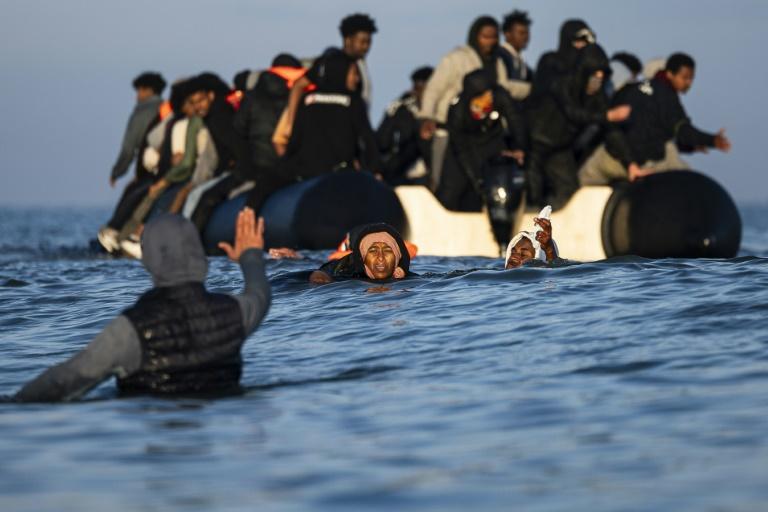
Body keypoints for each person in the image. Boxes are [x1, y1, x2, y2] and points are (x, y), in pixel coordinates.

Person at [15, 208, 270, 402]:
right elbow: (260, 294)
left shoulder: (131, 329)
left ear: (149, 260)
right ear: (198, 253)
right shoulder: (235, 313)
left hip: (149, 426)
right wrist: (250, 256)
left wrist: (12, 403)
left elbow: (63, 381)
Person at [245, 50, 383, 216]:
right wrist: (374, 171)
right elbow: (367, 140)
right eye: (353, 73)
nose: (357, 79)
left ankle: (247, 218)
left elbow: (295, 141)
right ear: (341, 71)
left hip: (303, 170)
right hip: (338, 173)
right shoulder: (353, 102)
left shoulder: (308, 99)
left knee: (264, 185)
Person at [579, 52, 732, 186]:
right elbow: (681, 131)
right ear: (669, 74)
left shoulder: (630, 91)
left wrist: (691, 145)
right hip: (648, 162)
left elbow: (645, 128)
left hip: (614, 158)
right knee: (686, 179)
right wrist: (712, 140)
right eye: (685, 78)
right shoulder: (666, 96)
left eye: (691, 78)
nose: (689, 83)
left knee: (583, 178)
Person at [418, 16, 526, 191]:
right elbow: (434, 89)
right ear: (475, 36)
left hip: (486, 134)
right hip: (448, 128)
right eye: (485, 36)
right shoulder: (456, 58)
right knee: (443, 179)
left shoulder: (497, 62)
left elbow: (505, 88)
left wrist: (533, 89)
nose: (490, 42)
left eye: (493, 37)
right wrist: (426, 117)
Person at [526, 43, 631, 209]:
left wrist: (630, 162)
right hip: (536, 145)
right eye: (594, 75)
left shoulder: (598, 96)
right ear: (584, 72)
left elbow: (610, 130)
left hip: (561, 149)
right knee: (532, 193)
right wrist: (607, 116)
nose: (597, 81)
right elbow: (573, 113)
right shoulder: (562, 84)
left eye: (601, 76)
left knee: (569, 193)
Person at [276, 13, 377, 155]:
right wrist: (291, 123)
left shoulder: (360, 66)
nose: (366, 47)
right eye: (362, 41)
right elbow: (299, 85)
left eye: (369, 42)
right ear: (348, 40)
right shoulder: (329, 64)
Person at [437, 69, 527, 212]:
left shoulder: (499, 96)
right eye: (485, 95)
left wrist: (519, 148)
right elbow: (460, 148)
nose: (490, 97)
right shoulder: (457, 111)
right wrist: (477, 179)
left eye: (490, 92)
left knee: (498, 187)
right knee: (451, 193)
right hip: (464, 151)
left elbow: (515, 121)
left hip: (492, 142)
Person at [98, 72, 167, 252]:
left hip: (149, 171)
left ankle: (113, 232)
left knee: (131, 193)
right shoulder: (167, 109)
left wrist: (117, 172)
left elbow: (129, 148)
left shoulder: (141, 112)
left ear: (148, 90)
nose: (137, 96)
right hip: (164, 167)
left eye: (140, 91)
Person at [187, 73, 255, 233]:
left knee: (201, 197)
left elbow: (237, 147)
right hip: (241, 169)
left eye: (200, 101)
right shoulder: (217, 113)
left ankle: (189, 242)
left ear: (211, 95)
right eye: (193, 103)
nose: (198, 107)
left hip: (246, 171)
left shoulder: (219, 116)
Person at [376, 66, 433, 186]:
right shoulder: (402, 109)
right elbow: (383, 140)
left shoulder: (398, 106)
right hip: (404, 173)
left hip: (401, 174)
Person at [309, 223, 411, 284]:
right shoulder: (348, 270)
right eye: (373, 251)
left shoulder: (409, 281)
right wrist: (319, 275)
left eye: (388, 250)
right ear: (362, 257)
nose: (380, 258)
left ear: (397, 257)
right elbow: (325, 271)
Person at [499, 10, 534, 87]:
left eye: (527, 33)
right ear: (507, 34)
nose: (525, 37)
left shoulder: (522, 63)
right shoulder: (500, 55)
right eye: (521, 33)